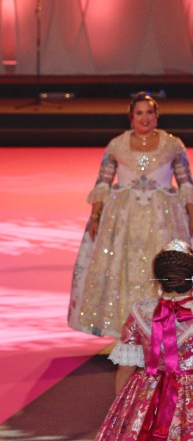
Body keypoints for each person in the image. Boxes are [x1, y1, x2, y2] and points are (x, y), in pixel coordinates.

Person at [69, 92, 193, 338]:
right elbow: (102, 183)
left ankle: (163, 325)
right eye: (139, 113)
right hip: (123, 218)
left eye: (150, 112)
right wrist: (96, 217)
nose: (145, 118)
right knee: (121, 267)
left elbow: (186, 184)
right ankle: (125, 327)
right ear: (131, 117)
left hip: (163, 218)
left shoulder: (172, 145)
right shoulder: (117, 145)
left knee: (162, 267)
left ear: (157, 116)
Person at [92, 240, 193, 441]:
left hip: (148, 392)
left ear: (158, 279)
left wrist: (124, 409)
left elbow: (125, 369)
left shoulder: (141, 311)